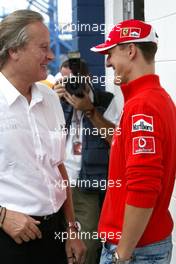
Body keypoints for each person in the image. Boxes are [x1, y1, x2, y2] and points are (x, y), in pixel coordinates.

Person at [0, 9, 86, 264]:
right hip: (10, 237)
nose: (51, 56)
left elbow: (58, 166)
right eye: (43, 48)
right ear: (14, 50)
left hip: (55, 232)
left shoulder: (49, 98)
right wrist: (3, 217)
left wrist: (71, 229)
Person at [90, 19, 176, 264]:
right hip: (144, 245)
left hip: (135, 249)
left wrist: (121, 255)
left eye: (110, 52)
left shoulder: (143, 105)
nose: (107, 61)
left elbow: (144, 187)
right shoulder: (157, 99)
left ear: (130, 50)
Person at [54, 59, 120, 264]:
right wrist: (54, 102)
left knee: (87, 246)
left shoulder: (105, 99)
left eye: (73, 80)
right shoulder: (54, 102)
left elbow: (116, 139)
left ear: (88, 79)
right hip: (56, 183)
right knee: (57, 242)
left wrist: (90, 109)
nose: (69, 85)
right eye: (65, 80)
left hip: (86, 186)